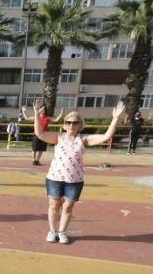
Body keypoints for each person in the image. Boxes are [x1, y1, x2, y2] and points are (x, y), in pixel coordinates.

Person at [34, 101, 124, 244]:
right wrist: (36, 115)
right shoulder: (58, 137)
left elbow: (106, 137)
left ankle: (62, 232)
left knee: (68, 207)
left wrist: (115, 118)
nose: (71, 125)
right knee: (54, 205)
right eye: (68, 122)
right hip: (55, 178)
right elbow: (40, 134)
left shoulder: (84, 139)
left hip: (75, 180)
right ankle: (52, 231)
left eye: (75, 122)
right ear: (65, 124)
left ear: (80, 125)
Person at [24, 100, 64, 165]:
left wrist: (61, 114)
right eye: (41, 110)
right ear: (39, 110)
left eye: (44, 110)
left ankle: (37, 160)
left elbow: (56, 120)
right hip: (36, 134)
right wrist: (24, 111)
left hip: (44, 135)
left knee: (41, 149)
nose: (43, 111)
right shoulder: (36, 117)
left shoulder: (47, 118)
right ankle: (34, 160)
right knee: (34, 149)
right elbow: (27, 118)